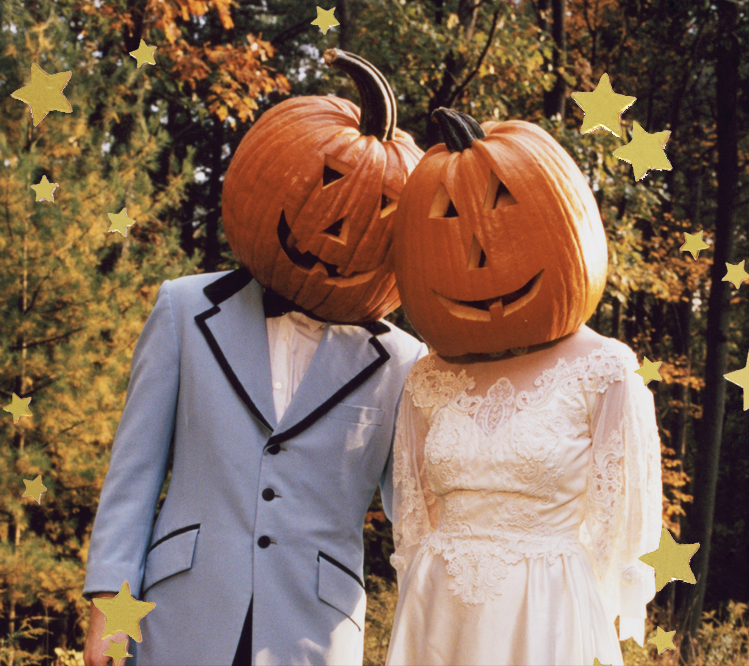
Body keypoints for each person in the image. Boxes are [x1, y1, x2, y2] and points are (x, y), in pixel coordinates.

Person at [81, 50, 426, 666]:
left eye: (378, 213)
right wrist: (109, 596)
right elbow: (134, 470)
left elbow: (418, 517)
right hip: (180, 615)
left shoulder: (402, 362)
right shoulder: (185, 310)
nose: (341, 234)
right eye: (325, 187)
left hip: (312, 630)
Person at [385, 108, 664, 666]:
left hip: (545, 611)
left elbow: (620, 534)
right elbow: (412, 519)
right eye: (449, 219)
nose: (477, 254)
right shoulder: (429, 375)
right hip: (438, 605)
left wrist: (584, 613)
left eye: (501, 210)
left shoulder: (605, 371)